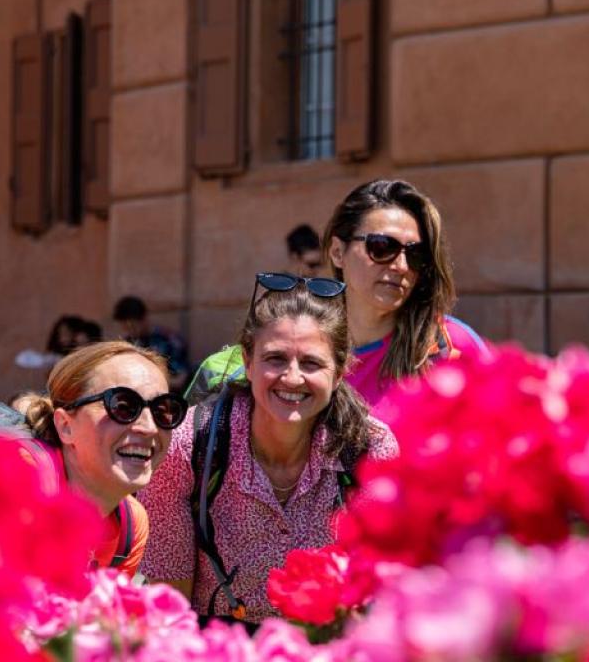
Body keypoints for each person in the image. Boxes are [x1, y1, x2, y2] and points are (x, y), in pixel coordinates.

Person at [138, 274, 397, 623]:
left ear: (339, 374)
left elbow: (377, 599)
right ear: (247, 361)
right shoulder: (189, 445)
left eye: (311, 363)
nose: (291, 377)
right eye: (275, 359)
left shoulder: (369, 449)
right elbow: (170, 613)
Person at [7, 341, 188, 576]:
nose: (149, 427)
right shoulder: (20, 482)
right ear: (66, 426)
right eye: (123, 406)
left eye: (163, 409)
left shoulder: (131, 525)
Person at [323, 178, 489, 411]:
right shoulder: (304, 348)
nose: (401, 266)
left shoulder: (450, 349)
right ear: (338, 252)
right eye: (382, 247)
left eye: (414, 254)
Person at [113, 296, 190, 393]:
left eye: (133, 326)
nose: (130, 331)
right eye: (126, 328)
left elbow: (180, 380)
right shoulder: (127, 343)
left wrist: (145, 381)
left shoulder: (169, 340)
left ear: (144, 318)